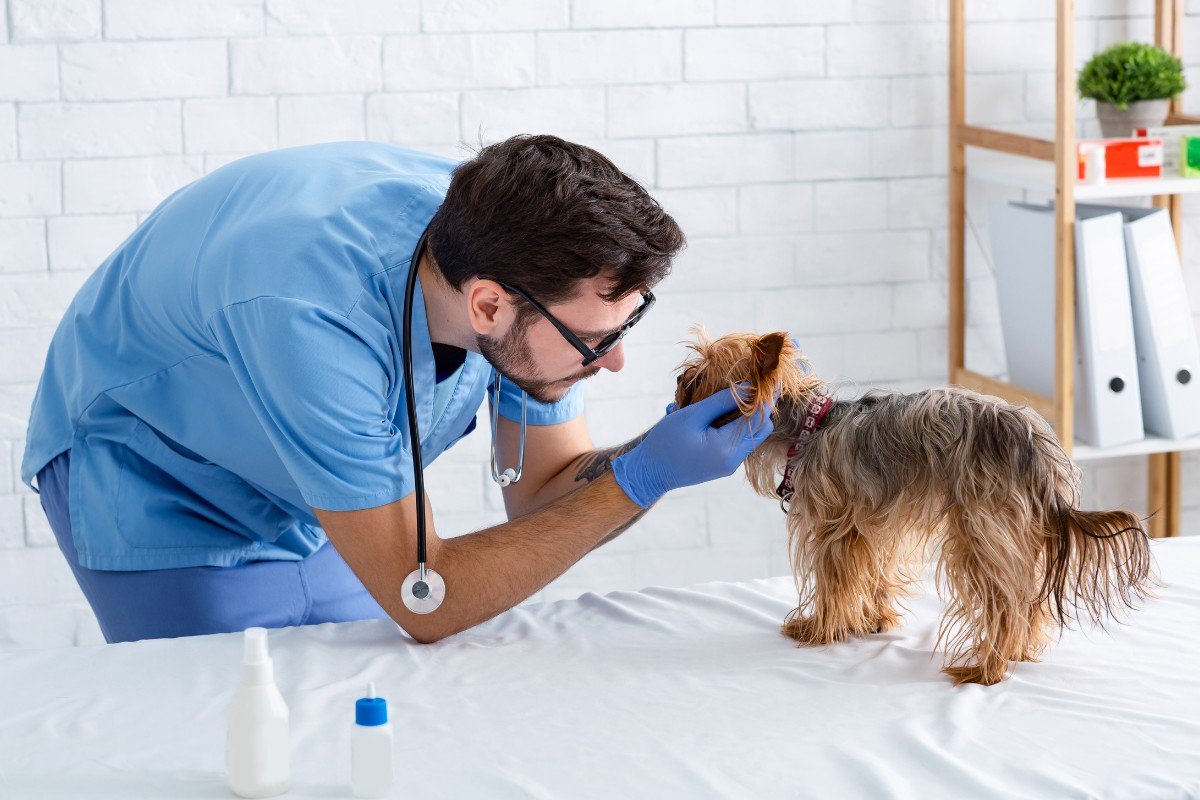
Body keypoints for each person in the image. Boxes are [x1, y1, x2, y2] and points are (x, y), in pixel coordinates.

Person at [20, 134, 773, 645]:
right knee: (238, 733)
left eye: (622, 330)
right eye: (595, 342)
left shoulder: (512, 253)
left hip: (295, 482)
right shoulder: (313, 315)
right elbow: (427, 599)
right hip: (153, 474)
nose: (609, 364)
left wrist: (662, 451)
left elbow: (543, 489)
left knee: (360, 706)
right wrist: (640, 481)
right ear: (487, 305)